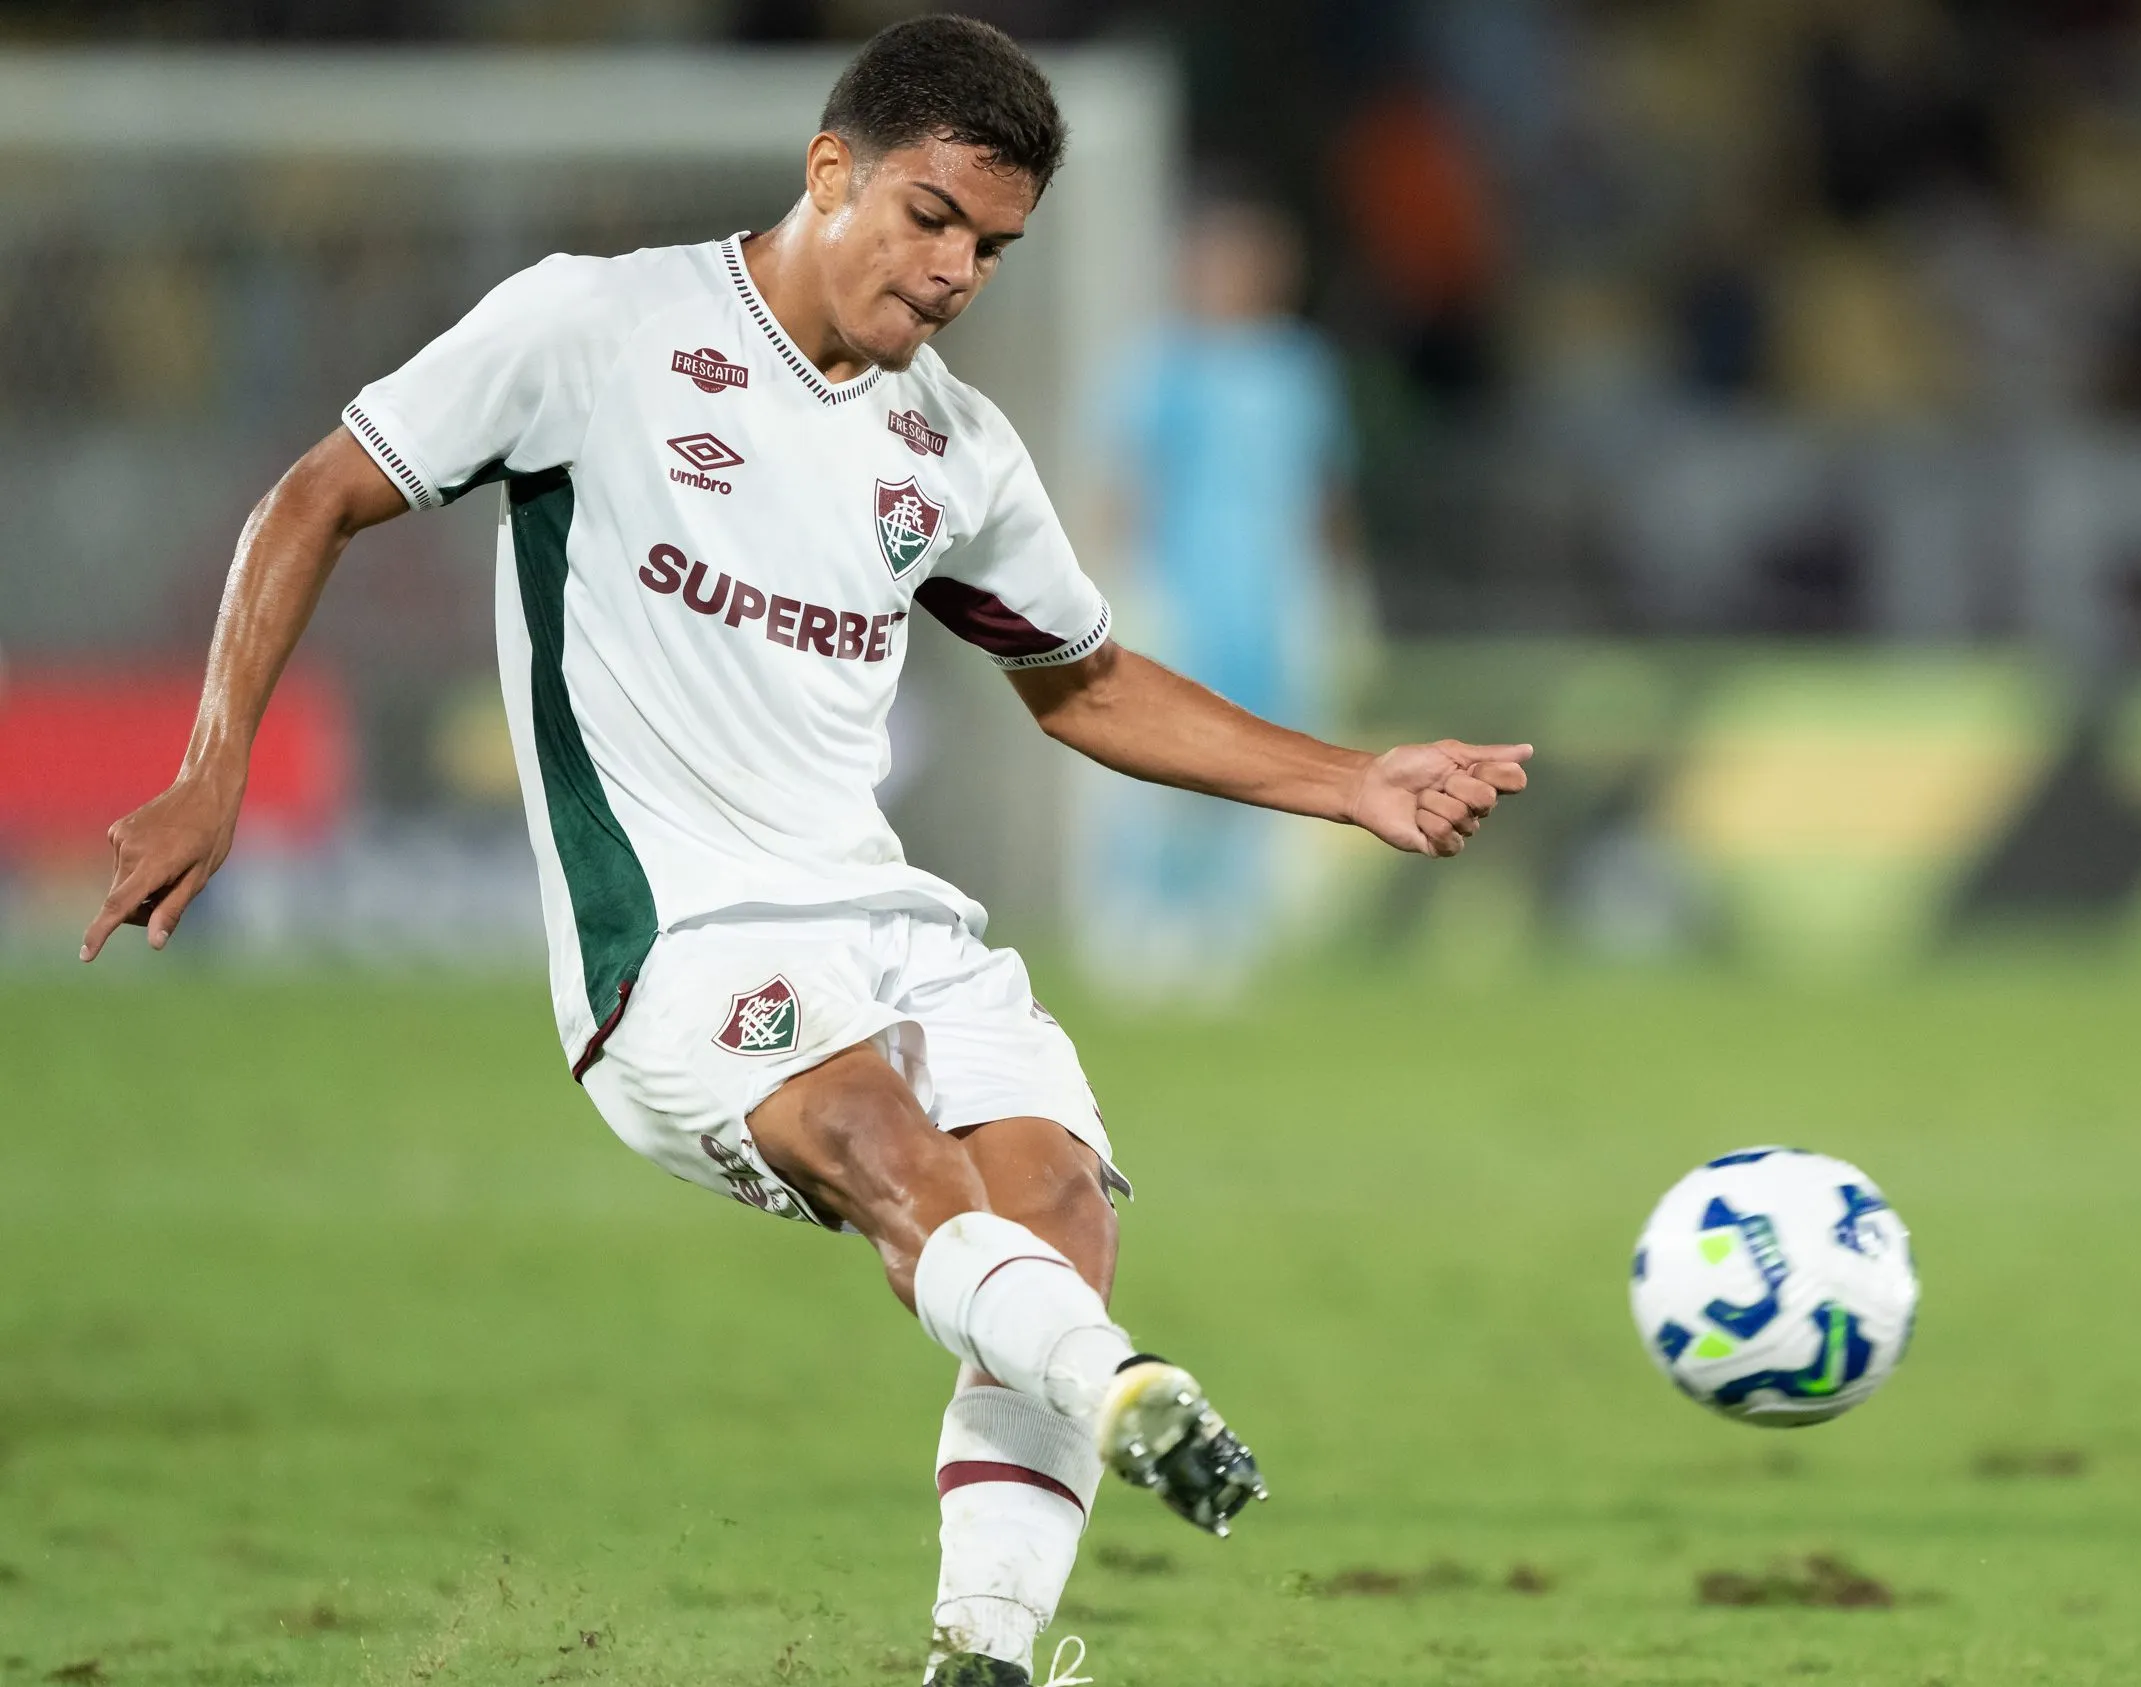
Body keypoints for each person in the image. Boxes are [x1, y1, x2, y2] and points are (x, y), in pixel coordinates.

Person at [78, 20, 1530, 1687]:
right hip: (676, 938)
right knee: (885, 1148)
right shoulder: (595, 326)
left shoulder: (954, 449)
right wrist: (211, 767)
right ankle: (1126, 1388)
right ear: (832, 169)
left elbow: (1084, 681)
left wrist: (1354, 781)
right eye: (932, 216)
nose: (959, 268)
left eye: (995, 245)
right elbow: (318, 494)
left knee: (1058, 1203)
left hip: (884, 913)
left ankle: (982, 1654)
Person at [1088, 196, 1355, 999]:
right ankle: (1141, 916)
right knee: (1169, 757)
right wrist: (1122, 587)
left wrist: (1337, 590)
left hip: (1269, 600)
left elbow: (1322, 489)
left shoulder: (1298, 367)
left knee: (1262, 755)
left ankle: (1230, 923)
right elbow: (1128, 481)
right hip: (1186, 592)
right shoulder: (1164, 365)